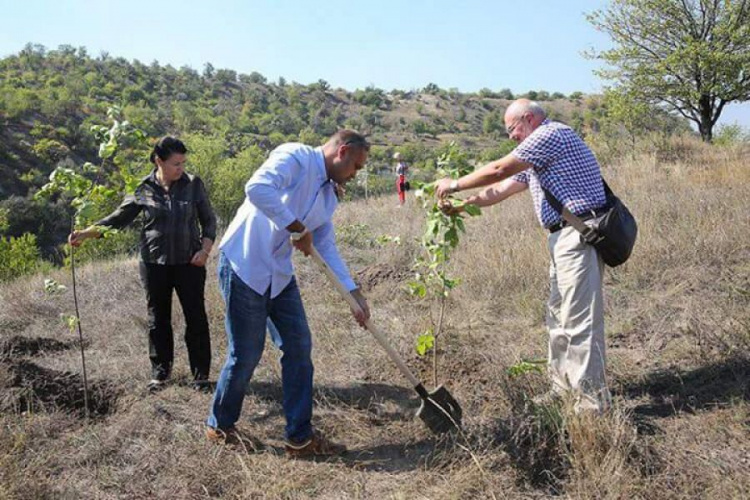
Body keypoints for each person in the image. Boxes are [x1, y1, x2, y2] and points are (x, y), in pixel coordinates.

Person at [435, 99, 611, 413]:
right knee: (558, 318)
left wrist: (454, 184)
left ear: (528, 119)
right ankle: (562, 389)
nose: (512, 137)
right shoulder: (537, 157)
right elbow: (500, 188)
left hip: (577, 236)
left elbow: (499, 169)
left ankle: (590, 403)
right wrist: (460, 206)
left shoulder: (550, 135)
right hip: (561, 239)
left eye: (512, 130)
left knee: (580, 321)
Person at [205, 130, 372, 457]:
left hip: (279, 275)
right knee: (247, 353)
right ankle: (220, 425)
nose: (356, 174)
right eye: (356, 165)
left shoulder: (329, 194)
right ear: (343, 151)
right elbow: (257, 188)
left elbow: (324, 243)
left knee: (299, 347)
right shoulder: (296, 157)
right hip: (245, 265)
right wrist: (296, 228)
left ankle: (299, 437)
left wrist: (353, 292)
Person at [69, 136, 217, 392]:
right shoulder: (143, 188)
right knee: (158, 319)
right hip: (154, 264)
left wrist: (204, 250)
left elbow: (209, 221)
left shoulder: (193, 184)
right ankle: (160, 375)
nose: (181, 169)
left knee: (196, 318)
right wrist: (85, 233)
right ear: (159, 161)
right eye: (175, 164)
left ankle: (200, 376)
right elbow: (117, 220)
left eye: (183, 163)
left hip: (189, 264)